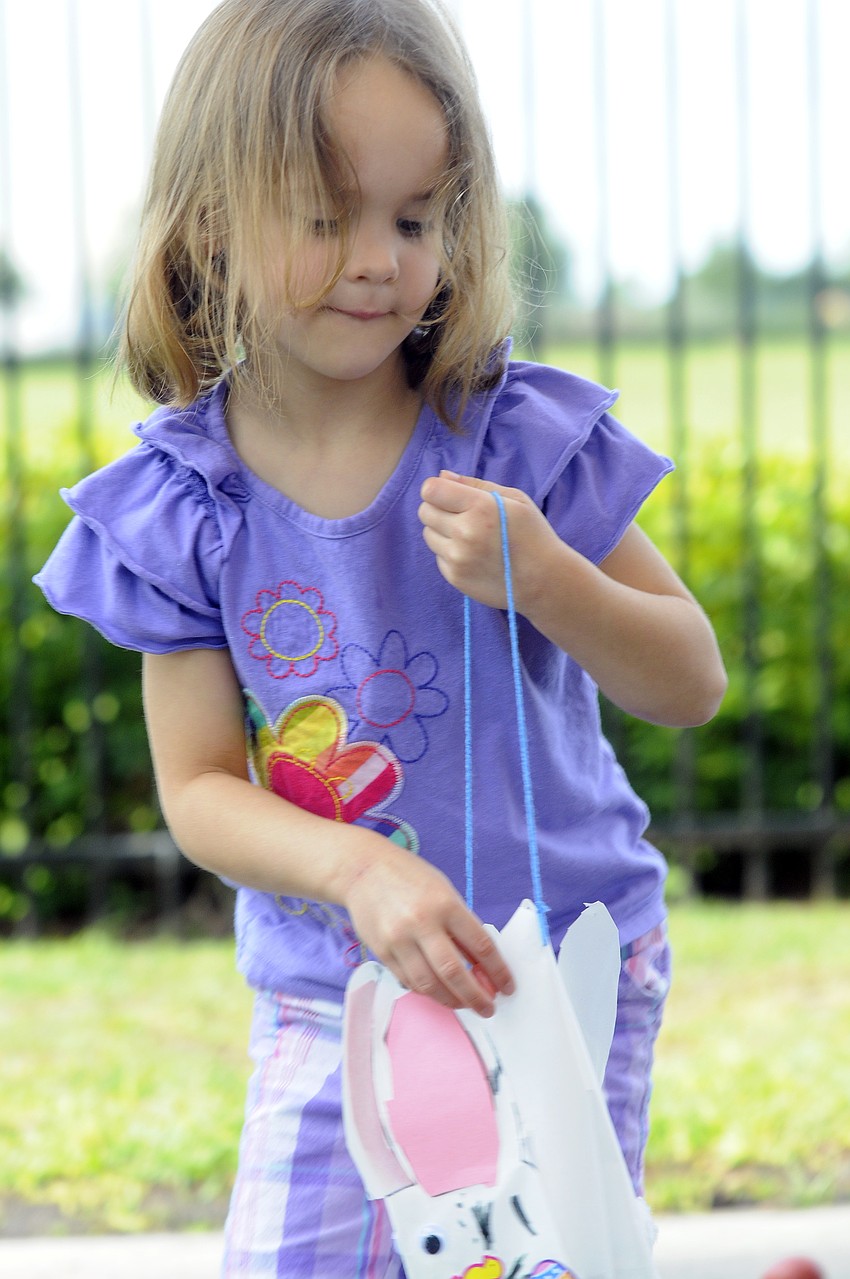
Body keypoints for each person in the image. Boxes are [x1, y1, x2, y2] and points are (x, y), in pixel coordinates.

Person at [35, 0, 727, 1273]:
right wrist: (358, 873)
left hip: (557, 974)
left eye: (415, 218)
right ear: (207, 223)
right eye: (326, 214)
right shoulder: (187, 505)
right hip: (330, 986)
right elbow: (197, 790)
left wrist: (552, 579)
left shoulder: (512, 439)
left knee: (527, 1257)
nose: (379, 260)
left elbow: (689, 678)